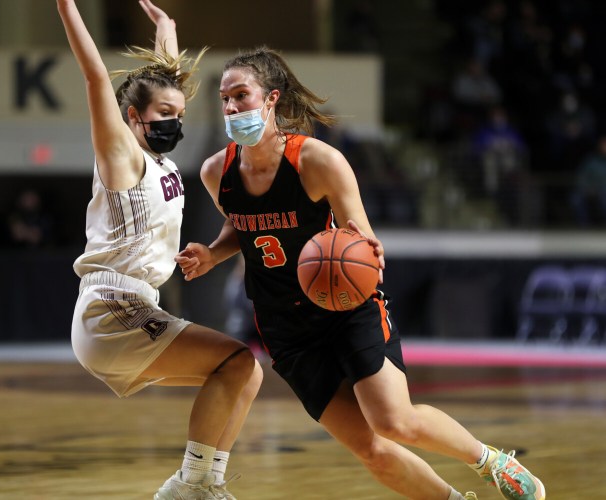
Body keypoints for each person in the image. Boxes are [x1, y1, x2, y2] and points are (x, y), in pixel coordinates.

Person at [176, 46, 546, 500]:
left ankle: (492, 462)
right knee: (371, 449)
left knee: (394, 422)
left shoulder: (317, 161)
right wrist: (214, 253)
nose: (232, 107)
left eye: (241, 95)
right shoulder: (218, 171)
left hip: (344, 306)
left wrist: (368, 251)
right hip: (285, 325)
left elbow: (360, 235)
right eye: (224, 99)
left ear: (271, 99)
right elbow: (244, 224)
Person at [57, 2, 263, 499]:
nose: (175, 122)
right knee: (236, 362)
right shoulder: (122, 154)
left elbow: (162, 82)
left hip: (136, 305)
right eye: (164, 115)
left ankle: (204, 485)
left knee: (245, 371)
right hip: (110, 309)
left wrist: (167, 32)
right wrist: (66, 5)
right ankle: (188, 485)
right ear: (133, 117)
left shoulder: (162, 162)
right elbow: (94, 78)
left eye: (180, 115)